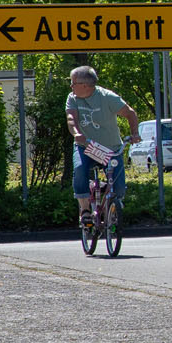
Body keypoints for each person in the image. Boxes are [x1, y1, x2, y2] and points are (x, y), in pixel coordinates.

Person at [64, 66, 139, 226]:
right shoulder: (73, 97)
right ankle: (84, 211)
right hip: (86, 147)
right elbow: (71, 118)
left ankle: (107, 203)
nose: (71, 86)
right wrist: (77, 133)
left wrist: (135, 133)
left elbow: (130, 113)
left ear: (85, 85)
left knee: (118, 188)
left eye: (73, 83)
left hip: (110, 149)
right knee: (79, 170)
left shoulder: (107, 97)